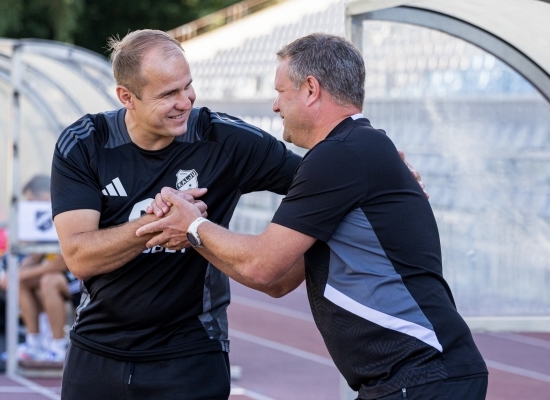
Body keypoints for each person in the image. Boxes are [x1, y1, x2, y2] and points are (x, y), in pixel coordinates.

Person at [51, 29, 426, 399]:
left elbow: (328, 181)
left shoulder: (225, 138)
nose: (186, 100)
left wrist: (388, 177)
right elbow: (80, 257)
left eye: (188, 86)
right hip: (96, 351)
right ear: (126, 97)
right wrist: (157, 223)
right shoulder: (84, 144)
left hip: (190, 353)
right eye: (169, 94)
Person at [138, 33, 488, 400]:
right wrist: (192, 233)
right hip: (414, 377)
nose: (275, 106)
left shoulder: (339, 155)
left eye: (280, 91)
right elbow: (277, 282)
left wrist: (193, 225)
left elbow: (261, 265)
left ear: (310, 89)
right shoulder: (354, 151)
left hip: (421, 374)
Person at [0, 175, 81, 362]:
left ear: (45, 194)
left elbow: (62, 263)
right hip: (60, 274)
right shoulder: (42, 220)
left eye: (31, 199)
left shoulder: (67, 211)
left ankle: (58, 346)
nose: (29, 204)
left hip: (81, 275)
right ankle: (34, 343)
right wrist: (15, 273)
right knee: (22, 282)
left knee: (48, 281)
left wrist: (21, 274)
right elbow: (36, 253)